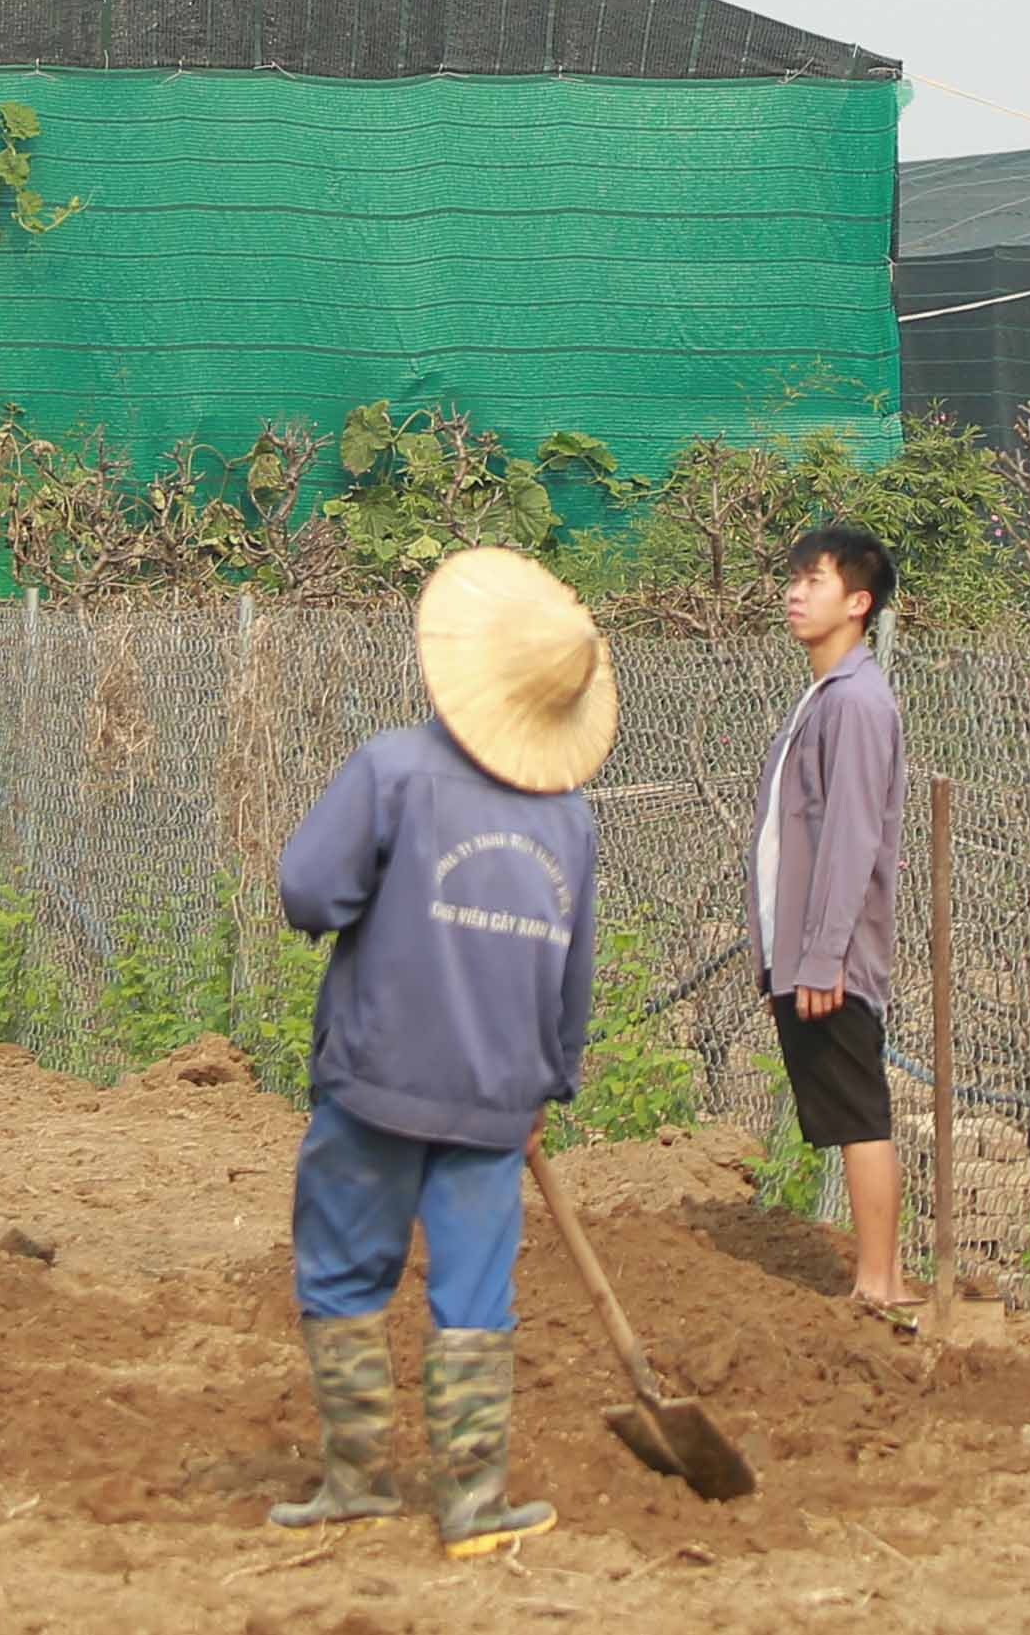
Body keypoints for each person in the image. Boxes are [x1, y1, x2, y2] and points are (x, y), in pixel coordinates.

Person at [264, 544, 613, 1560]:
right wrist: (552, 1073)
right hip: (498, 1093)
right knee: (474, 1291)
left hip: (376, 1079)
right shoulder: (571, 821)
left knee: (341, 1271)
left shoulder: (393, 771)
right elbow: (574, 971)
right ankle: (468, 1504)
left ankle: (356, 1479)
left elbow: (305, 894)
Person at [758, 520, 915, 1324]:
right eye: (794, 577)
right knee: (852, 1107)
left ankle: (879, 1282)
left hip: (836, 956)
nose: (795, 591)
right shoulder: (825, 695)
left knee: (861, 1110)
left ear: (859, 603)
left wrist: (823, 958)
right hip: (810, 951)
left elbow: (852, 837)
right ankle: (876, 1277)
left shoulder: (855, 702)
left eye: (814, 580)